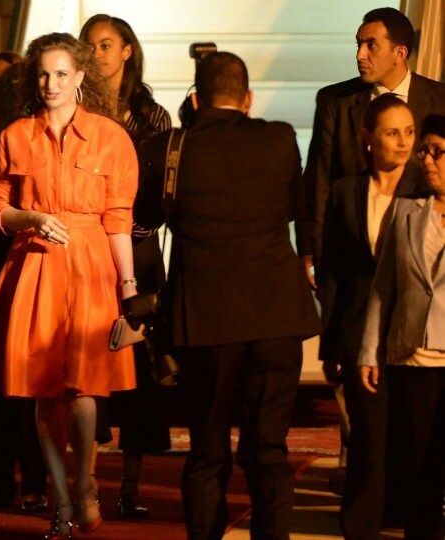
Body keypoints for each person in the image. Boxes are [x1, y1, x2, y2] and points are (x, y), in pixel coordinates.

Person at [138, 52, 320, 539]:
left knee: (206, 451)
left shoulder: (169, 147)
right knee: (269, 452)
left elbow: (145, 219)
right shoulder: (280, 138)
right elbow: (294, 209)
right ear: (248, 99)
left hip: (206, 321)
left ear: (195, 99)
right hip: (277, 317)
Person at [0, 32, 139, 539]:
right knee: (43, 388)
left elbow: (118, 219)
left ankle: (85, 481)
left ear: (81, 77)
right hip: (36, 264)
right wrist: (27, 217)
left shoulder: (111, 137)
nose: (52, 83)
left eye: (62, 73)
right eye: (44, 74)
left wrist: (129, 289)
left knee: (84, 383)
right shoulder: (14, 136)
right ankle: (61, 497)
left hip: (91, 263)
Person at [319, 94, 430, 539]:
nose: (403, 143)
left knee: (411, 431)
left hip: (414, 329)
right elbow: (333, 273)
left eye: (408, 132)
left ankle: (405, 512)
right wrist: (331, 344)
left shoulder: (427, 187)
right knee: (367, 432)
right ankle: (362, 520)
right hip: (356, 327)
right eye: (391, 132)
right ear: (368, 138)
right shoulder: (345, 191)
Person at [80, 13, 172, 520]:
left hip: (136, 246)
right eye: (90, 46)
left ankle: (132, 483)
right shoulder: (73, 107)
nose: (98, 54)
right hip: (88, 246)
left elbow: (156, 191)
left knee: (139, 366)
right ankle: (85, 478)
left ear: (127, 51)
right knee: (90, 359)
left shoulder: (151, 116)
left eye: (107, 44)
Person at [0, 52, 49, 513]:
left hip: (32, 265)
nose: (10, 91)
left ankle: (35, 478)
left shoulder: (36, 137)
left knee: (33, 382)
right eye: (0, 85)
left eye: (16, 82)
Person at [358, 114, 445, 540]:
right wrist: (370, 350)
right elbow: (383, 288)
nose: (426, 159)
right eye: (425, 150)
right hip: (415, 358)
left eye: (437, 152)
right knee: (418, 468)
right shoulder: (407, 211)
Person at [305, 6, 445, 268]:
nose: (360, 54)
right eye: (358, 44)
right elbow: (318, 179)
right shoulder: (334, 102)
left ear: (400, 53)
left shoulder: (440, 100)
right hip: (352, 256)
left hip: (424, 253)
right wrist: (311, 251)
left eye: (371, 45)